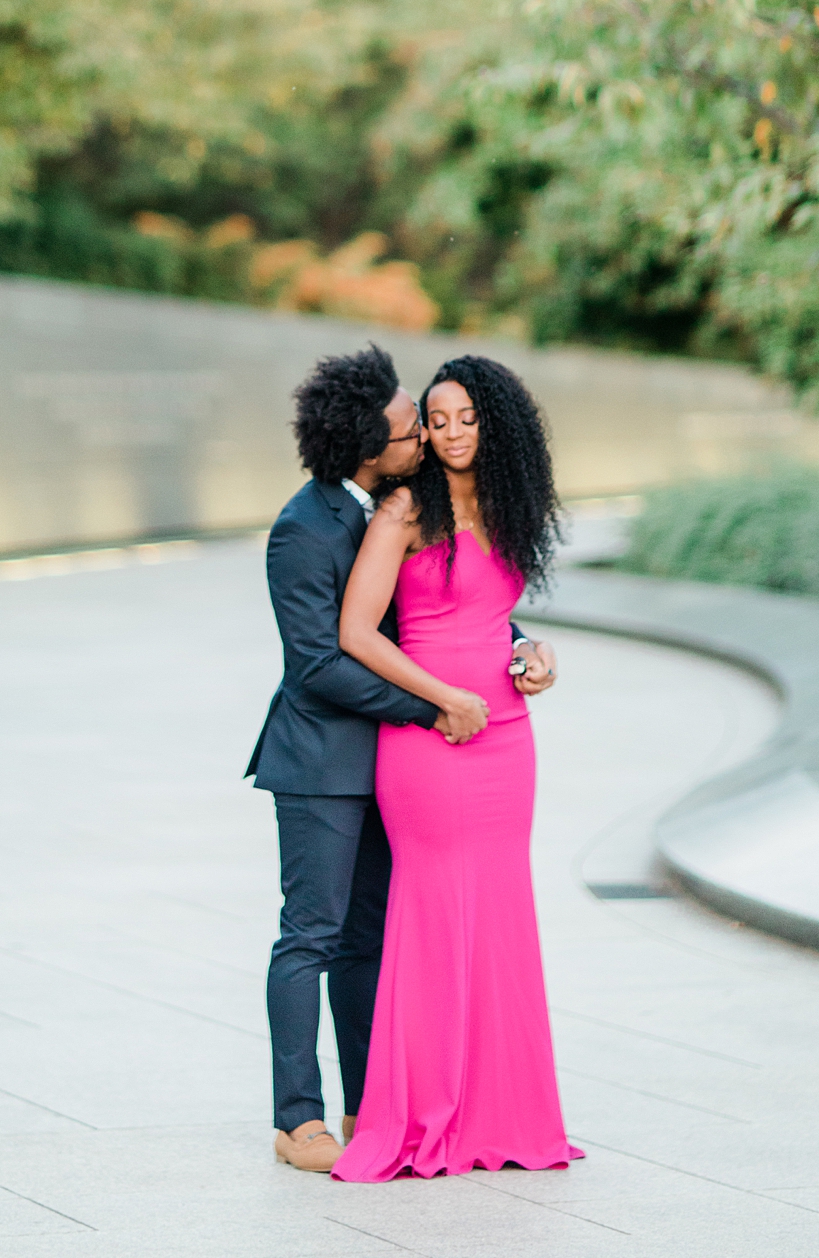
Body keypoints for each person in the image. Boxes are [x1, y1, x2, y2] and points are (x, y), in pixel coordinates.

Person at [247, 343, 556, 1175]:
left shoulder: (413, 501)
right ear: (365, 445)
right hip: (328, 762)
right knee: (310, 935)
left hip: (425, 749)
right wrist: (435, 705)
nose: (425, 436)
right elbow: (324, 660)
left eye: (440, 422)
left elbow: (444, 611)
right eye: (413, 427)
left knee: (370, 940)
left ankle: (370, 1100)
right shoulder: (305, 529)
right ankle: (296, 1120)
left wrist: (521, 646)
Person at [331, 353, 582, 1181]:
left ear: (497, 421)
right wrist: (442, 699)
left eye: (466, 417)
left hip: (508, 736)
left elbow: (498, 618)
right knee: (435, 913)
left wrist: (534, 656)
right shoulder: (405, 509)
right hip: (429, 743)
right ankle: (426, 1112)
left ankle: (504, 1115)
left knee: (502, 913)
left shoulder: (511, 509)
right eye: (436, 421)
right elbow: (359, 634)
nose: (452, 433)